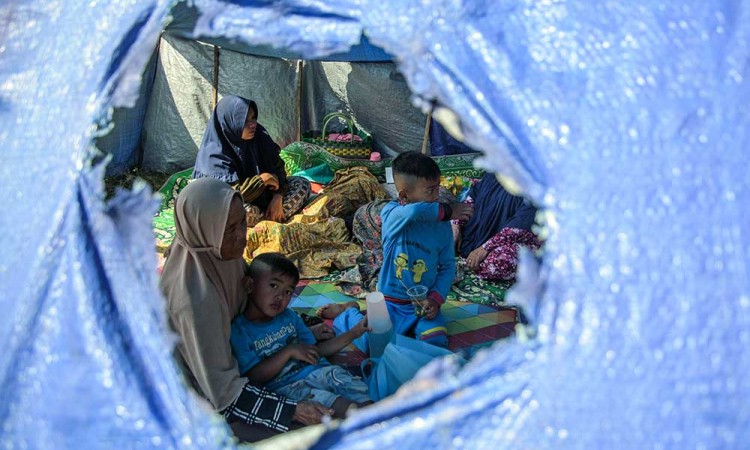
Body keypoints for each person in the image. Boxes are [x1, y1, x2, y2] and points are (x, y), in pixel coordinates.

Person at [159, 178, 332, 443]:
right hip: (205, 391)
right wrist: (293, 411)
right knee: (317, 432)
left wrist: (305, 326)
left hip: (245, 354)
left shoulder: (218, 255)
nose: (243, 235)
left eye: (242, 222)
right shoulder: (194, 301)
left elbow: (250, 305)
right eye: (230, 229)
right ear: (203, 229)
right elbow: (222, 391)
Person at [319, 152, 473, 349]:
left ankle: (417, 328)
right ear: (403, 195)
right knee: (370, 344)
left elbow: (447, 266)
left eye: (438, 188)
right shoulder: (392, 214)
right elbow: (414, 211)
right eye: (430, 191)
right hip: (389, 304)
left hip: (422, 305)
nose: (437, 196)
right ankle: (349, 311)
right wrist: (449, 211)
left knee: (434, 341)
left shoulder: (440, 226)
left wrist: (435, 299)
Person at [230, 253, 372, 418]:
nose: (280, 297)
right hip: (288, 387)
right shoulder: (239, 331)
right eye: (274, 285)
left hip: (322, 371)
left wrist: (354, 332)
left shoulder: (289, 317)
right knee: (341, 407)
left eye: (288, 292)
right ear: (249, 285)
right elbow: (253, 378)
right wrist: (288, 351)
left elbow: (315, 351)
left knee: (360, 394)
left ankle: (380, 422)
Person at [193, 95, 310, 226]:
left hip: (262, 198)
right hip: (230, 203)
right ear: (229, 122)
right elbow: (228, 196)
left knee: (302, 183)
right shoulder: (214, 154)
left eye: (253, 118)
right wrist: (261, 180)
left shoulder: (260, 136)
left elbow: (278, 167)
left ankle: (270, 214)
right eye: (244, 121)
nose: (252, 124)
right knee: (236, 211)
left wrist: (278, 196)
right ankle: (269, 218)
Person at [454, 172, 542, 282]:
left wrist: (484, 248)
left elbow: (517, 229)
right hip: (477, 235)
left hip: (514, 240)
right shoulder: (494, 173)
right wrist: (457, 225)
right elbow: (472, 196)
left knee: (500, 262)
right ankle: (469, 259)